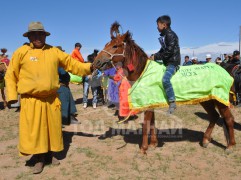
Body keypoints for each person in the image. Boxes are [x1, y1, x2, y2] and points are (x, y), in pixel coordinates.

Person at [4, 22, 93, 174]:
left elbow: (72, 64)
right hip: (31, 100)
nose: (38, 37)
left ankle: (51, 155)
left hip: (52, 99)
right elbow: (10, 75)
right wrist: (12, 96)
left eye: (41, 34)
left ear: (45, 36)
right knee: (35, 131)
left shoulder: (54, 52)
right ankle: (39, 159)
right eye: (35, 34)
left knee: (52, 129)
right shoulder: (21, 52)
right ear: (29, 36)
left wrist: (90, 67)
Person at [150, 15, 181, 114]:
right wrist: (154, 56)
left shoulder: (170, 35)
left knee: (165, 79)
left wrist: (156, 57)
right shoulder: (164, 36)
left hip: (173, 62)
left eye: (158, 25)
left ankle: (172, 101)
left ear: (164, 25)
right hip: (166, 61)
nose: (156, 27)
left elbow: (169, 51)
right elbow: (162, 50)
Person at [56, 46, 79, 126]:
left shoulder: (60, 62)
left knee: (69, 101)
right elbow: (62, 72)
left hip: (64, 85)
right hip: (61, 86)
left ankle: (71, 117)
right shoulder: (57, 62)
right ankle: (64, 120)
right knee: (64, 102)